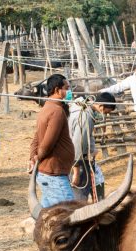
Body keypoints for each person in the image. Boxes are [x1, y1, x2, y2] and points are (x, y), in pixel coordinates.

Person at [29, 74, 75, 207]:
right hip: (54, 175)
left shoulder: (46, 108)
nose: (69, 91)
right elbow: (46, 145)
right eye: (66, 88)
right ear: (57, 90)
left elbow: (36, 138)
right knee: (68, 213)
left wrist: (33, 158)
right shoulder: (57, 111)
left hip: (49, 173)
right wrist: (37, 158)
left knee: (46, 216)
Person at [68, 92, 116, 202]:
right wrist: (76, 171)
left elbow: (85, 137)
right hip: (78, 162)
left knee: (95, 183)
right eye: (105, 112)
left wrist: (92, 149)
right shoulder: (86, 117)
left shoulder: (80, 107)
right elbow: (78, 145)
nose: (105, 115)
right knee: (79, 197)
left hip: (76, 159)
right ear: (101, 106)